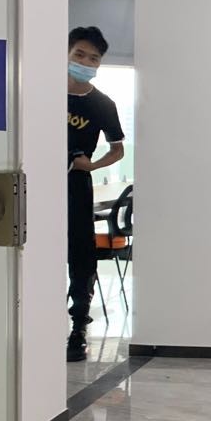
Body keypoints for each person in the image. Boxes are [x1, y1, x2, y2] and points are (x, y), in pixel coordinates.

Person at [66, 27, 125, 362]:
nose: (86, 63)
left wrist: (91, 165)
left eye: (93, 59)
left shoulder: (103, 104)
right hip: (35, 182)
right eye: (80, 55)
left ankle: (78, 326)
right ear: (67, 53)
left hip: (76, 185)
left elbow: (117, 149)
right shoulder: (39, 91)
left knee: (80, 253)